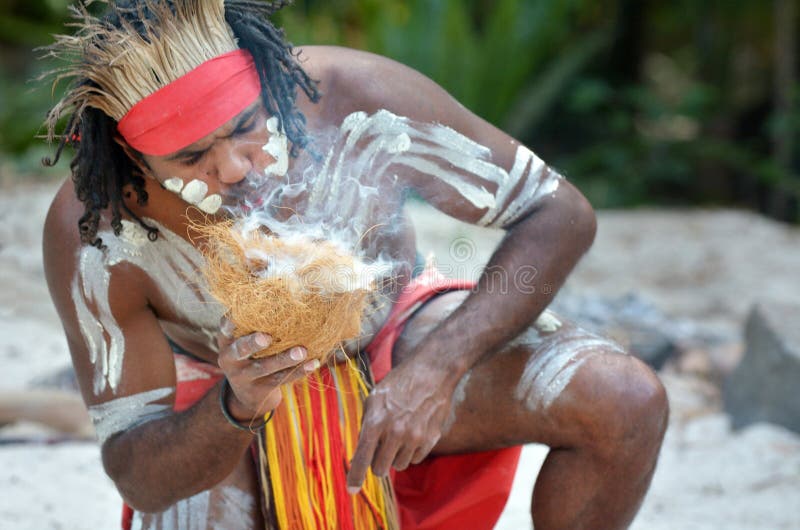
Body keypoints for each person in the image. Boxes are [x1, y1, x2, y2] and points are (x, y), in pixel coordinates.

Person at [41, 1, 668, 529]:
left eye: (245, 128)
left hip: (393, 327)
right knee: (191, 509)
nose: (233, 167)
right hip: (222, 384)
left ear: (266, 85)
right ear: (130, 152)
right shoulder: (98, 231)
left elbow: (559, 213)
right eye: (190, 156)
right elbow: (137, 473)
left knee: (624, 400)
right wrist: (237, 401)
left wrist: (437, 368)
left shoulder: (353, 97)